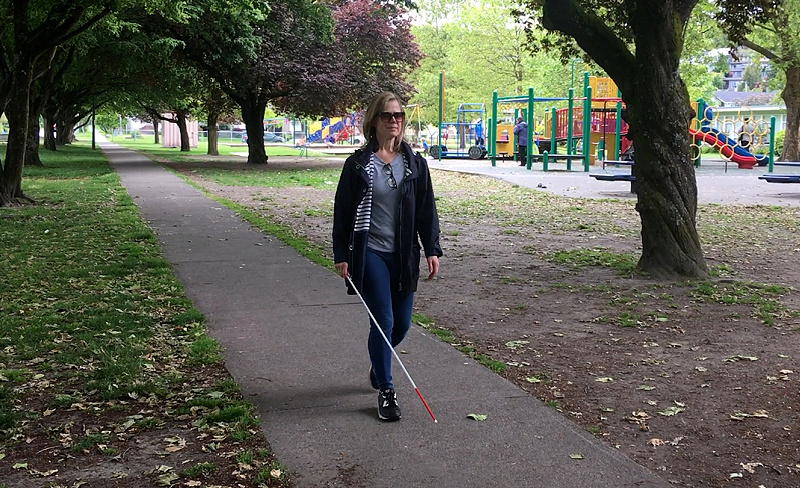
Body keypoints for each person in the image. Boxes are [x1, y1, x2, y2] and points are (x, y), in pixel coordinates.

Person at [333, 92, 442, 422]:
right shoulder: (357, 165)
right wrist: (341, 254)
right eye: (387, 116)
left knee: (402, 324)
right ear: (373, 121)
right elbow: (343, 212)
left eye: (398, 116)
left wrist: (432, 249)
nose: (394, 121)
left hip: (404, 255)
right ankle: (387, 390)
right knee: (383, 321)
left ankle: (378, 367)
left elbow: (426, 211)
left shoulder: (415, 164)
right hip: (371, 254)